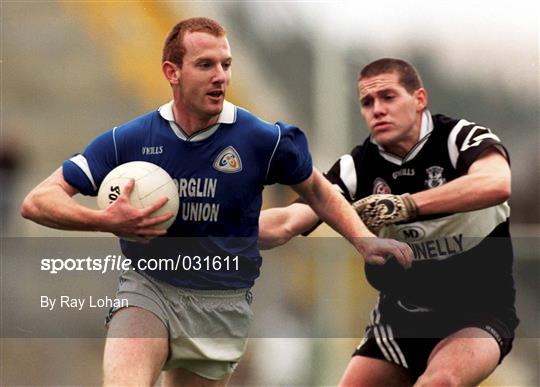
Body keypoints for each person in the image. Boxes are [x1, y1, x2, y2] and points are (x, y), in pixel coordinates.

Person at [20, 20, 413, 386]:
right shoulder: (129, 140)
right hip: (150, 289)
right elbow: (38, 201)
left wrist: (365, 240)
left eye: (226, 64)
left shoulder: (260, 139)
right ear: (172, 72)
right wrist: (106, 220)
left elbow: (318, 191)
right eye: (205, 64)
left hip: (221, 307)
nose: (220, 76)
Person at [259, 58, 519, 386]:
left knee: (440, 382)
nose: (377, 109)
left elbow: (497, 183)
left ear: (419, 99)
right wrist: (204, 228)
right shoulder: (356, 167)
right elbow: (285, 221)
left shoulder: (458, 139)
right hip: (401, 320)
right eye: (367, 102)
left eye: (388, 97)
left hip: (479, 315)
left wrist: (405, 205)